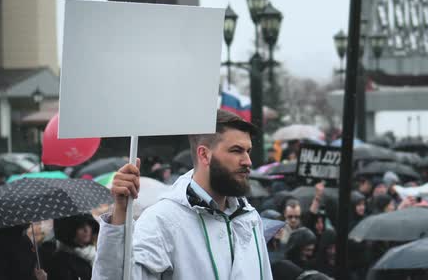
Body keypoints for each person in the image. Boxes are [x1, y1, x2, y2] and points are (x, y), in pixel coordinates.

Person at [92, 110, 272, 280]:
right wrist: (120, 213)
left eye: (248, 151)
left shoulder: (250, 218)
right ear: (204, 155)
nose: (247, 162)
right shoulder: (162, 220)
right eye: (236, 150)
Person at [47, 214, 98, 280]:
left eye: (88, 224)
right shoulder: (61, 262)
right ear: (70, 231)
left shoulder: (96, 252)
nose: (86, 229)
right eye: (80, 226)